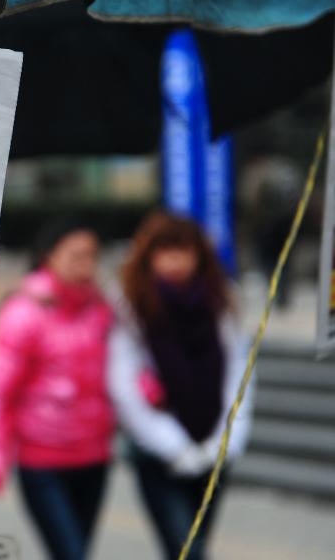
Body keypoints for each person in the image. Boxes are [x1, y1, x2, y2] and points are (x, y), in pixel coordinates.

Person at [108, 212, 253, 560]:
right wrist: (173, 447)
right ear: (148, 256)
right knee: (186, 550)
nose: (175, 261)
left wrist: (227, 441)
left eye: (183, 251)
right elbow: (124, 383)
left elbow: (239, 371)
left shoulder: (220, 300)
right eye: (165, 251)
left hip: (214, 447)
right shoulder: (131, 305)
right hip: (158, 453)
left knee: (194, 544)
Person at [0, 220, 114, 560]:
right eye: (76, 256)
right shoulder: (25, 311)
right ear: (50, 256)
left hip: (94, 456)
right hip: (42, 461)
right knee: (71, 553)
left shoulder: (101, 308)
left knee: (78, 550)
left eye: (92, 256)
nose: (86, 266)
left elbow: (120, 369)